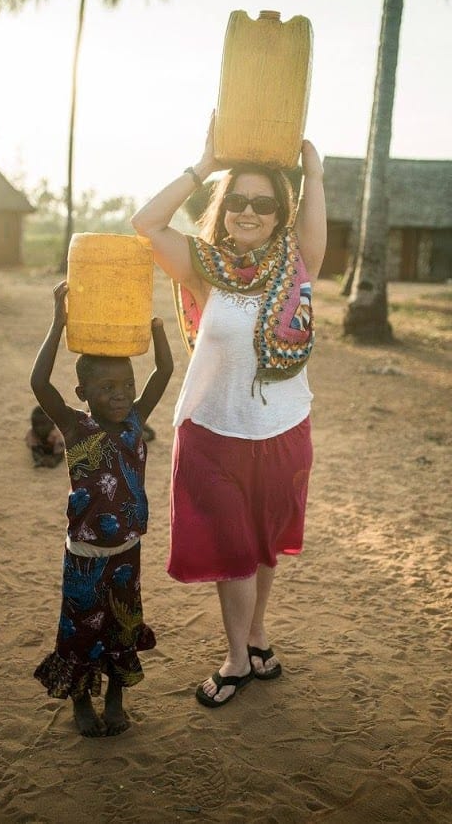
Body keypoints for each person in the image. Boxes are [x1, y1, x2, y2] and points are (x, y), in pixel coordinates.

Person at [131, 117, 326, 707]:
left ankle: (256, 635)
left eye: (263, 205)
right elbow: (146, 224)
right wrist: (205, 164)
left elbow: (312, 192)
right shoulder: (201, 267)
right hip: (213, 430)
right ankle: (238, 657)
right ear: (223, 205)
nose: (249, 212)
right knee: (233, 547)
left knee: (264, 545)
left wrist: (312, 169)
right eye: (237, 200)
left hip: (284, 429)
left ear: (280, 214)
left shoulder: (298, 267)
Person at [30, 280, 173, 736]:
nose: (120, 394)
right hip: (86, 557)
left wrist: (156, 329)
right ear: (82, 393)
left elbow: (164, 371)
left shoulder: (135, 420)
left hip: (127, 552)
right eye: (107, 386)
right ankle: (80, 703)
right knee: (81, 633)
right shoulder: (75, 429)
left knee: (122, 628)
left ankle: (115, 696)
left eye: (126, 385)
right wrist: (58, 324)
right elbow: (38, 383)